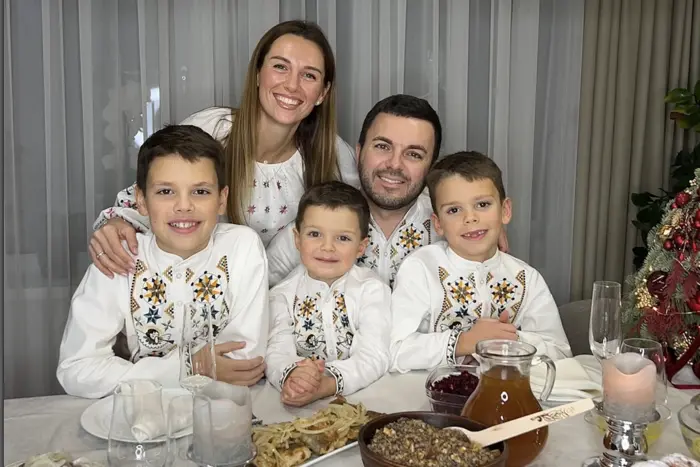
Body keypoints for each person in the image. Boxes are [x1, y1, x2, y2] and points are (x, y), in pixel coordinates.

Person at [89, 20, 358, 279]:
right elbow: (150, 197)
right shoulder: (212, 129)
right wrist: (115, 225)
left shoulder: (332, 155)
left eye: (309, 75)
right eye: (280, 67)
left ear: (322, 93)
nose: (291, 85)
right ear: (257, 74)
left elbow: (360, 230)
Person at [57, 125, 270, 398]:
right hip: (142, 421)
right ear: (141, 201)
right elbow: (77, 369)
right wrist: (190, 367)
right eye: (166, 192)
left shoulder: (242, 248)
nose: (184, 206)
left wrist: (146, 374)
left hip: (224, 415)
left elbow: (243, 363)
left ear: (222, 199)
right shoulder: (120, 257)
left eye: (201, 192)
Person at [389, 151, 571, 373]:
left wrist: (507, 340)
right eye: (454, 210)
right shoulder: (421, 268)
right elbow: (394, 351)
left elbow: (561, 355)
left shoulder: (526, 278)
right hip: (429, 399)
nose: (470, 218)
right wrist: (464, 342)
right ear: (438, 224)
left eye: (482, 205)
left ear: (505, 211)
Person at [267, 94, 443, 288]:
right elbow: (259, 298)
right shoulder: (318, 217)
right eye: (382, 146)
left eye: (413, 154)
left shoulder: (451, 225)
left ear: (430, 167)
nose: (394, 164)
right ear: (359, 153)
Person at [265, 181, 391, 406]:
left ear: (361, 247)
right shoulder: (281, 296)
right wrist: (295, 377)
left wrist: (326, 384)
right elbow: (276, 354)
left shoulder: (371, 290)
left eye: (342, 238)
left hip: (364, 400)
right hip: (296, 401)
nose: (327, 247)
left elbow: (374, 357)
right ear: (297, 239)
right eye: (315, 234)